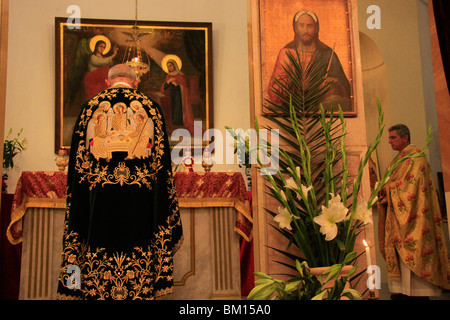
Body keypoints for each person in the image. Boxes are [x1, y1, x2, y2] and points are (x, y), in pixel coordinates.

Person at [56, 64, 183, 300]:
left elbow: (77, 166)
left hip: (98, 201)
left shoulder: (89, 108)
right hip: (140, 201)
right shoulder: (151, 108)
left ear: (108, 82)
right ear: (136, 83)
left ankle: (95, 290)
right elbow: (162, 167)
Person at [378, 124, 450, 299]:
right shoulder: (399, 159)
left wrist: (389, 188)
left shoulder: (416, 156)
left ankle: (417, 292)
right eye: (389, 138)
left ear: (405, 138)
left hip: (415, 219)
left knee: (415, 275)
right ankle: (403, 292)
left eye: (393, 137)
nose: (389, 141)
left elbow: (412, 187)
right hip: (398, 219)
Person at [267, 9, 351, 111]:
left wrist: (334, 83)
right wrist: (291, 78)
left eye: (309, 26)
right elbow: (274, 91)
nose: (306, 30)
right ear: (295, 28)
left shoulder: (328, 54)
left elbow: (344, 87)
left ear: (316, 29)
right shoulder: (287, 54)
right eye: (301, 25)